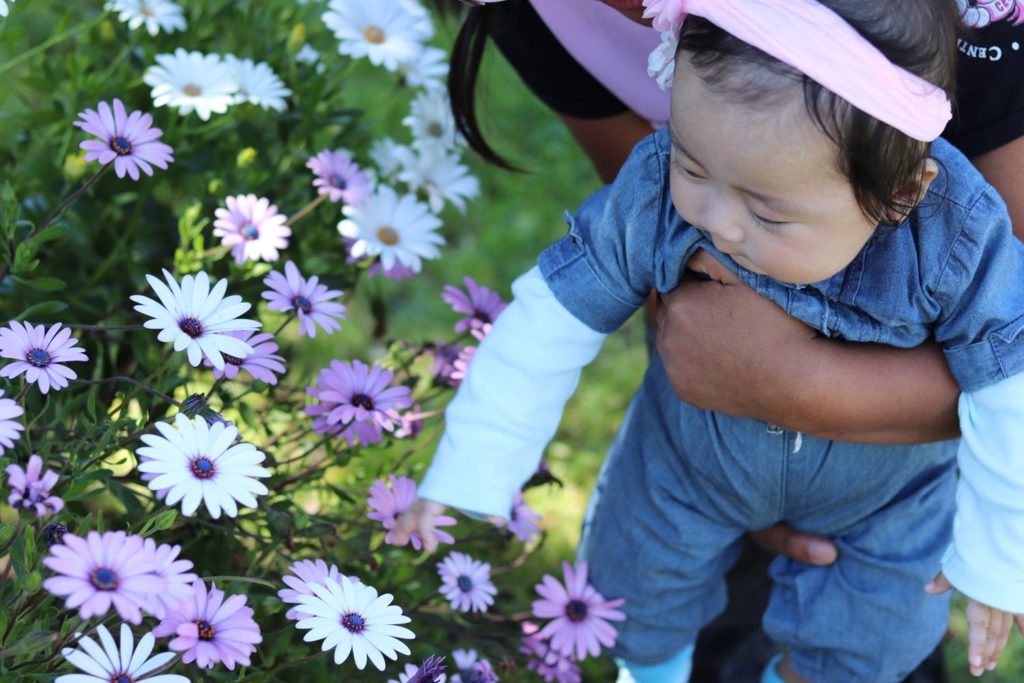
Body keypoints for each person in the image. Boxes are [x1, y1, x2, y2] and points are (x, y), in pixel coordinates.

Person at [394, 1, 1024, 681]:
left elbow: (1011, 379)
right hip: (690, 467)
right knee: (632, 584)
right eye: (692, 169)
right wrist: (474, 469)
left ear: (900, 194)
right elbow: (553, 312)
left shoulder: (956, 234)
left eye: (766, 209)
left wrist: (1000, 561)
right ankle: (654, 669)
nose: (716, 222)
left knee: (880, 634)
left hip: (885, 501)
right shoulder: (659, 180)